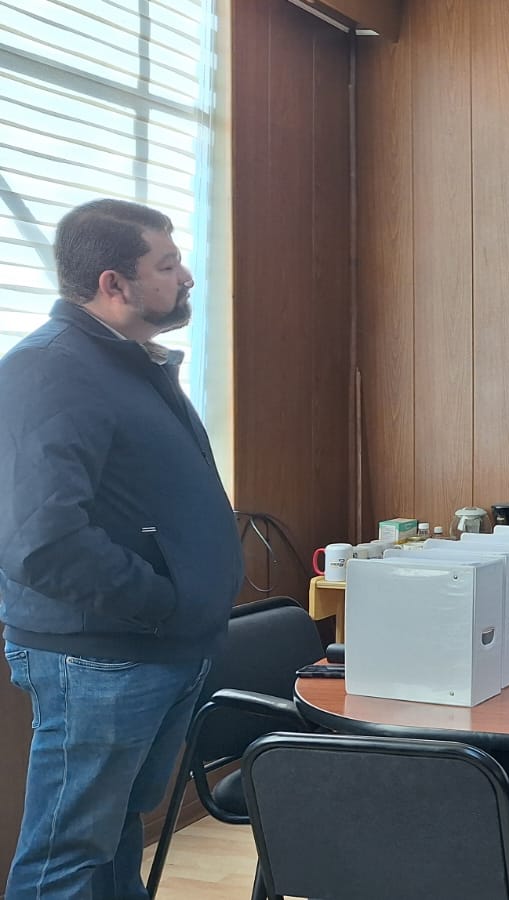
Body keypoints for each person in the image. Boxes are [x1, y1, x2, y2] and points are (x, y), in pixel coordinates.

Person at [0, 199, 243, 899]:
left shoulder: (128, 363)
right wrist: (161, 602)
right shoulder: (50, 368)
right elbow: (38, 539)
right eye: (166, 265)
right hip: (102, 654)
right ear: (114, 284)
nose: (186, 277)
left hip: (153, 647)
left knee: (112, 840)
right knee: (68, 853)